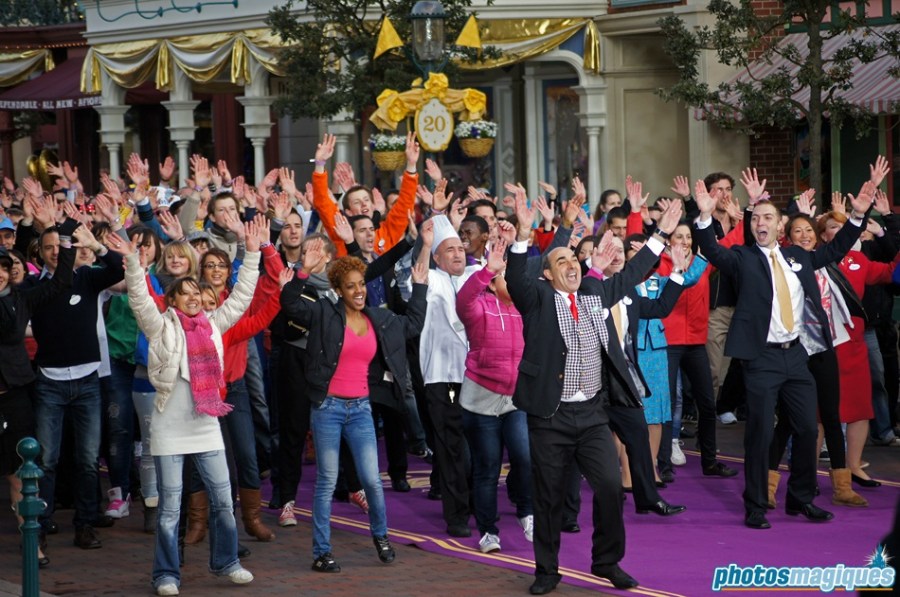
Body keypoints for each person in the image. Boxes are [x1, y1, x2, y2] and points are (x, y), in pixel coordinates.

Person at [505, 188, 683, 594]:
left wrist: (659, 235)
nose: (570, 264)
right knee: (548, 496)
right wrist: (523, 232)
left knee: (609, 487)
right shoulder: (537, 298)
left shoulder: (593, 292)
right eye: (560, 261)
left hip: (591, 415)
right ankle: (547, 570)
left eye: (573, 259)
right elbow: (515, 277)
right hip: (549, 417)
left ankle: (606, 561)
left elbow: (632, 273)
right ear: (547, 275)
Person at [692, 177, 874, 529]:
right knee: (760, 433)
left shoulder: (797, 257)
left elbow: (835, 250)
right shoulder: (742, 258)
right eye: (757, 218)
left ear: (780, 226)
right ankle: (756, 504)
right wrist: (703, 217)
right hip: (762, 359)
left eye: (768, 218)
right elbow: (713, 251)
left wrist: (857, 217)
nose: (761, 223)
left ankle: (800, 499)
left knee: (806, 429)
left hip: (797, 356)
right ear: (752, 224)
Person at [113, 223, 260, 596]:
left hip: (206, 424)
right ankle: (166, 574)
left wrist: (253, 253)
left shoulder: (213, 324)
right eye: (186, 293)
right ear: (173, 300)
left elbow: (243, 296)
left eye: (198, 292)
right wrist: (133, 265)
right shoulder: (159, 326)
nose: (194, 297)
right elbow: (139, 299)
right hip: (169, 427)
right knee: (170, 508)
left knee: (223, 499)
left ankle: (227, 562)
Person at [278, 228, 430, 573]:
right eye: (351, 286)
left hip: (361, 408)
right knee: (327, 481)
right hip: (328, 408)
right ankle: (322, 551)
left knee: (372, 480)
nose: (359, 291)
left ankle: (381, 536)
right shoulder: (323, 314)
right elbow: (290, 305)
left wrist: (420, 287)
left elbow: (413, 324)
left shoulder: (379, 319)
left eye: (362, 284)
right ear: (339, 290)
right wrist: (303, 271)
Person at [766, 209, 868, 508]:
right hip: (794, 350)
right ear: (787, 237)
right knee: (787, 419)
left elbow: (842, 244)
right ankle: (767, 486)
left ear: (817, 236)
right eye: (797, 231)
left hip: (824, 348)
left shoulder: (825, 263)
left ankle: (842, 487)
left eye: (809, 230)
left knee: (831, 417)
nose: (804, 235)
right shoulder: (781, 264)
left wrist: (858, 214)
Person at [0, 222, 79, 567]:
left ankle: (31, 541)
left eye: (3, 269)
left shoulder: (22, 299)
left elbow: (61, 282)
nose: (0, 275)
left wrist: (66, 239)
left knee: (20, 469)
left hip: (15, 393)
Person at [455, 235, 532, 553]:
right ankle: (488, 531)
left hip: (516, 397)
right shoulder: (477, 308)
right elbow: (464, 299)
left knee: (525, 457)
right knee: (487, 467)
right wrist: (488, 270)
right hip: (481, 399)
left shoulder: (524, 308)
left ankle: (527, 512)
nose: (510, 282)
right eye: (503, 277)